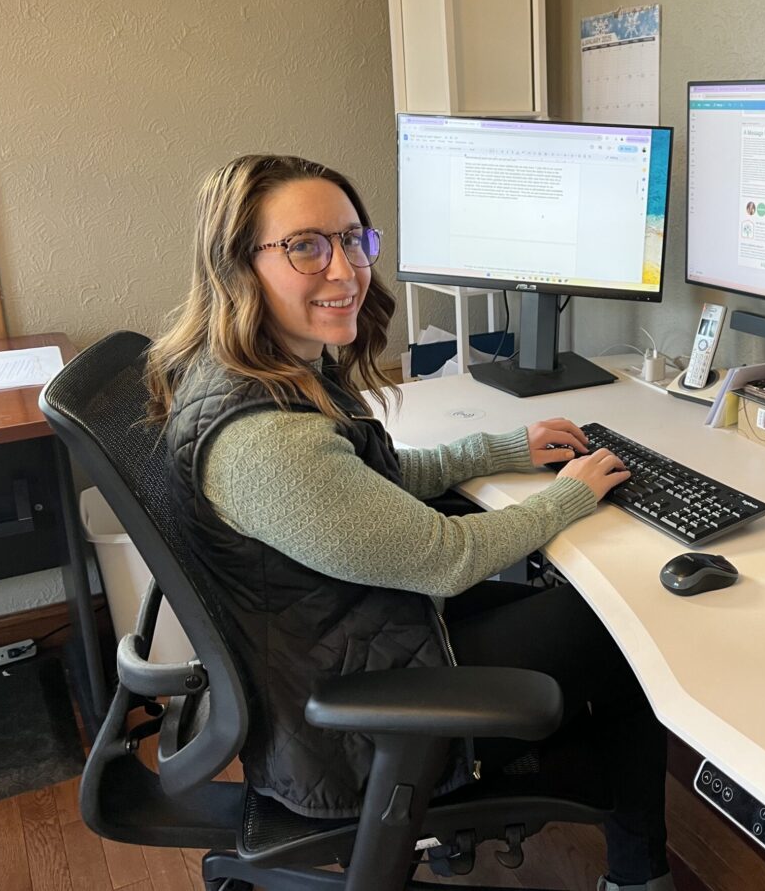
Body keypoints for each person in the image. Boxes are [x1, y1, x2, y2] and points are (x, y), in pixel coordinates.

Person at [145, 155, 673, 891]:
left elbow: (365, 486)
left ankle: (602, 814)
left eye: (355, 239)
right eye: (306, 246)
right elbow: (450, 556)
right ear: (239, 265)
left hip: (343, 637)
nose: (346, 268)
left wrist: (502, 449)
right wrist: (569, 496)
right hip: (352, 713)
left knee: (589, 611)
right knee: (625, 626)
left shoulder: (255, 369)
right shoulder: (265, 440)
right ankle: (634, 871)